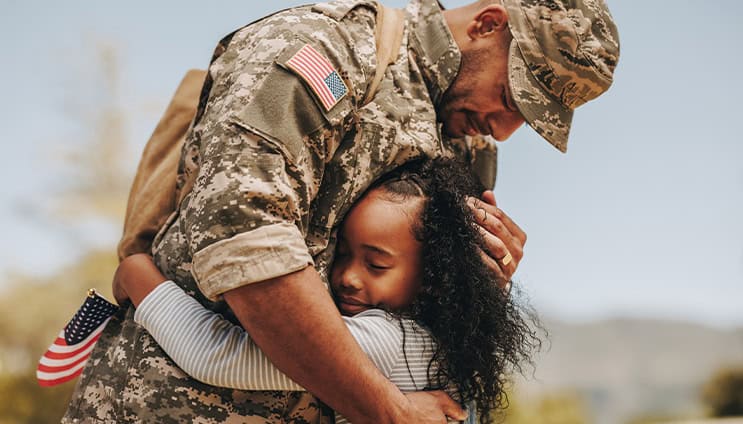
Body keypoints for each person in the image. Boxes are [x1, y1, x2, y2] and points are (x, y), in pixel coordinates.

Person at [63, 0, 619, 422]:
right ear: (487, 24)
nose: (505, 128)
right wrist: (388, 411)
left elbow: (434, 310)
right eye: (514, 95)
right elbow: (248, 246)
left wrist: (487, 276)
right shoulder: (324, 50)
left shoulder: (468, 145)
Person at [113, 158, 540, 424]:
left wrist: (138, 274)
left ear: (434, 277)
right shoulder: (449, 341)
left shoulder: (390, 341)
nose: (348, 278)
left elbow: (217, 355)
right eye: (343, 254)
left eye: (376, 264)